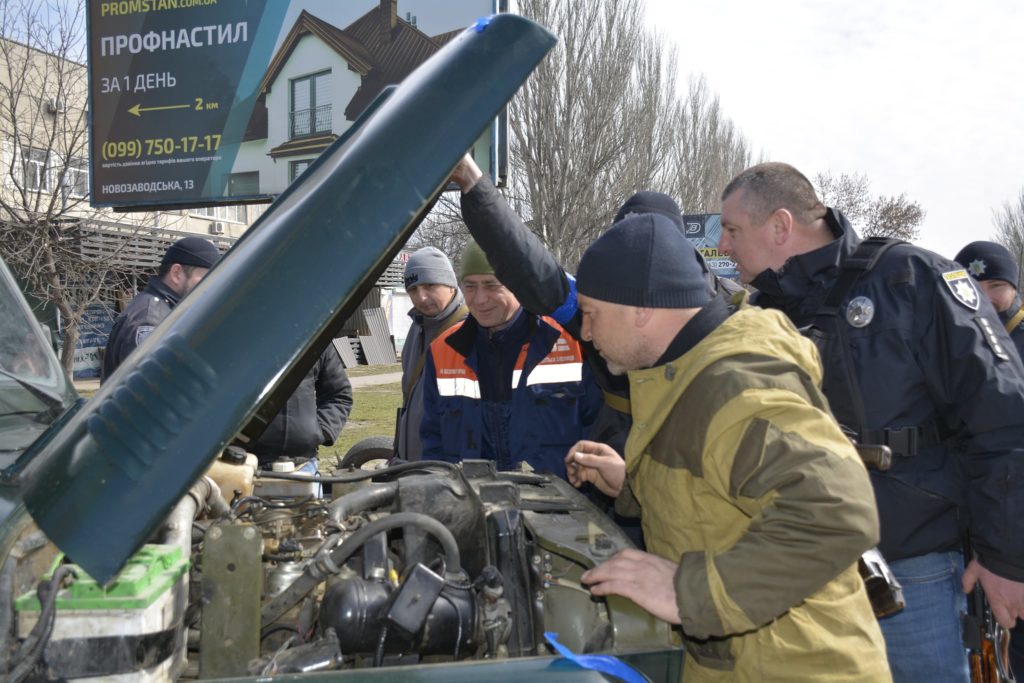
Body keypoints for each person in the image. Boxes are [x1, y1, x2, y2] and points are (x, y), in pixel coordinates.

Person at [718, 162, 1024, 682]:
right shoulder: (757, 314)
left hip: (913, 569)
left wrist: (1006, 558)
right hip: (793, 565)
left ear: (780, 226)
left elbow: (1003, 420)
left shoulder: (911, 279)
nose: (723, 245)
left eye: (732, 229)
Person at [565, 214, 890, 681]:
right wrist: (631, 485)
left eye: (592, 313)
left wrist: (688, 592)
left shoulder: (735, 386)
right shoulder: (682, 372)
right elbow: (714, 486)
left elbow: (837, 511)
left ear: (640, 308)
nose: (586, 333)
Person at [450, 154, 739, 455]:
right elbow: (537, 272)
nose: (587, 332)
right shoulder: (599, 301)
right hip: (620, 466)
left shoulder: (730, 318)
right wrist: (475, 186)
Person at [419, 240, 601, 477]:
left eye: (491, 285)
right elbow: (434, 445)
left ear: (518, 285)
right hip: (473, 505)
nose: (480, 298)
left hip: (559, 506)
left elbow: (598, 434)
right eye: (470, 286)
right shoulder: (442, 352)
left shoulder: (571, 343)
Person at [101, 236, 221, 382]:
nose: (210, 287)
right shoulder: (150, 318)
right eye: (205, 278)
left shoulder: (167, 311)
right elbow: (149, 387)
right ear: (176, 273)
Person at [395, 247, 467, 460]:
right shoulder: (417, 327)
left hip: (450, 470)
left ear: (451, 285)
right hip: (412, 465)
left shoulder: (471, 331)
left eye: (430, 286)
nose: (422, 297)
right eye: (413, 289)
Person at [246, 344, 353, 473]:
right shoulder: (240, 339)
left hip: (304, 465)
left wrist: (321, 431)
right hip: (244, 466)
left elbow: (339, 394)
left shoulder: (316, 340)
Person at [955, 240, 1024, 358]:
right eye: (971, 287)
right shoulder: (945, 334)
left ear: (1013, 288)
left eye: (995, 286)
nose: (984, 297)